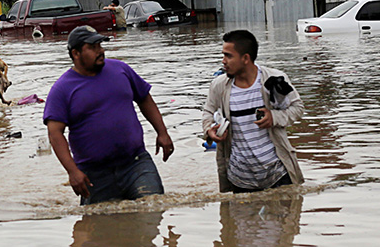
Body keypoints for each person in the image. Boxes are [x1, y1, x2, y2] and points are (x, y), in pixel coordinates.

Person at [44, 25, 174, 205]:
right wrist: (72, 171)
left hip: (135, 163)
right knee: (100, 227)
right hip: (94, 174)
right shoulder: (62, 89)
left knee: (153, 209)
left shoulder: (121, 70)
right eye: (93, 47)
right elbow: (55, 133)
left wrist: (162, 132)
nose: (100, 51)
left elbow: (145, 99)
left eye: (100, 45)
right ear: (76, 53)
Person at [201, 30, 304, 193]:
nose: (223, 61)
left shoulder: (273, 80)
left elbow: (297, 108)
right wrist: (209, 129)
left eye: (228, 56)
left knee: (287, 217)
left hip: (278, 174)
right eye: (223, 55)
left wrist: (274, 117)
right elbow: (208, 112)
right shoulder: (219, 86)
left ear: (246, 58)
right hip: (240, 179)